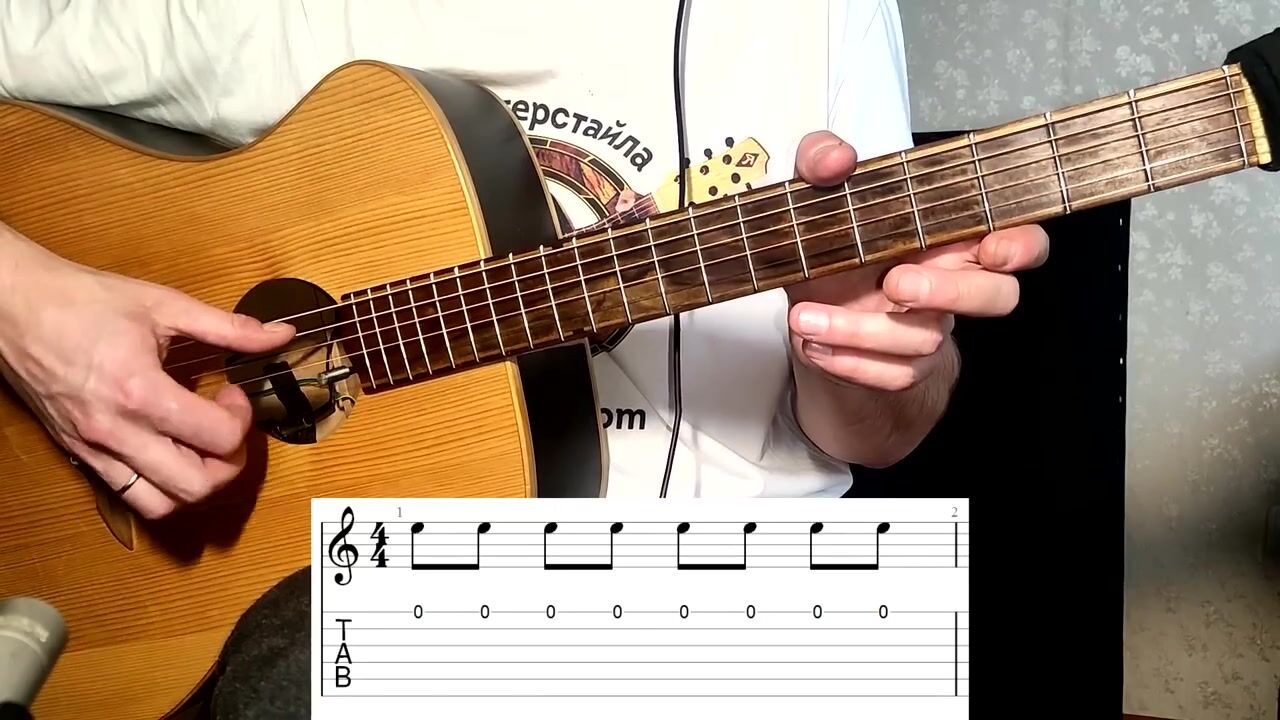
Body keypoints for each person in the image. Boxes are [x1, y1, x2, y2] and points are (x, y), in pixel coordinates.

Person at [0, 2, 1046, 713]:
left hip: (761, 603)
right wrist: (31, 308)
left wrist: (865, 346)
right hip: (314, 593)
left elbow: (876, 435)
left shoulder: (816, 17)